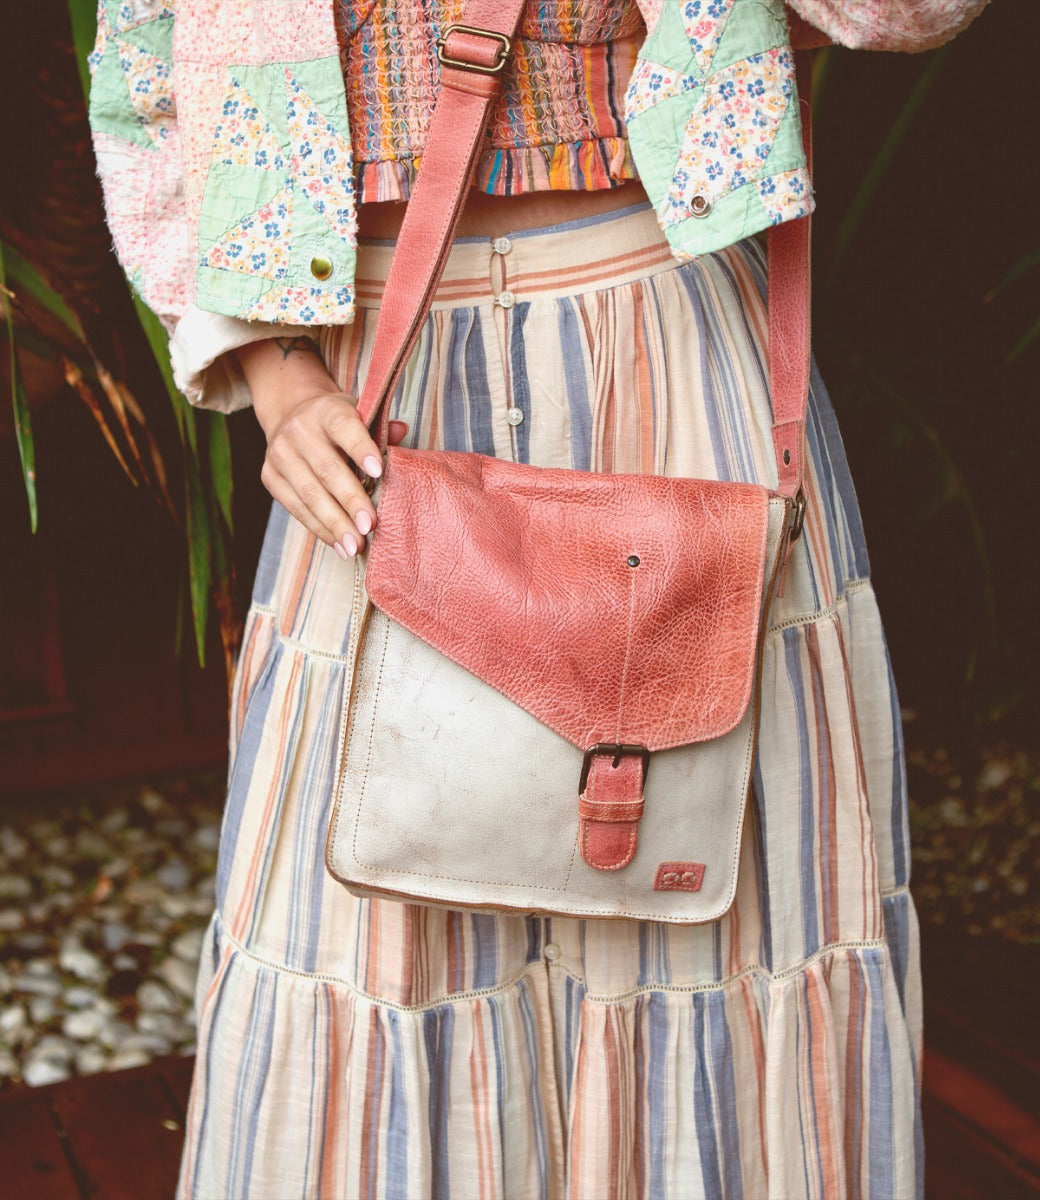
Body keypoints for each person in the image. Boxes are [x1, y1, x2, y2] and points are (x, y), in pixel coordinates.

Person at [88, 0, 987, 1195]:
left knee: (711, 898)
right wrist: (273, 369)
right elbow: (146, 85)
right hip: (368, 400)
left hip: (666, 355)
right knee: (379, 923)